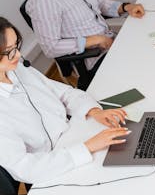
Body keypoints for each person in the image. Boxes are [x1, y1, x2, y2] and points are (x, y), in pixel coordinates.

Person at [0, 17, 131, 185]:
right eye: (9, 51)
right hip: (53, 168)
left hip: (74, 137)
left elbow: (62, 93)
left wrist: (94, 111)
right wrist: (88, 147)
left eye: (17, 46)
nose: (17, 55)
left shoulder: (17, 68)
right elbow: (26, 168)